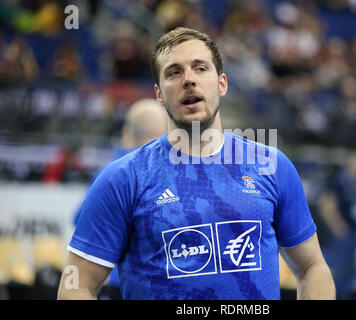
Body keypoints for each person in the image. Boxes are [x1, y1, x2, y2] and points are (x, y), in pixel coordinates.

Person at [57, 27, 335, 300]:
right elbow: (76, 284)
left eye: (200, 68)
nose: (188, 80)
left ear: (222, 83)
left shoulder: (271, 166)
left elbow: (312, 268)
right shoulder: (123, 178)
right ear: (158, 94)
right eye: (174, 72)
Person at [72, 98, 168, 299]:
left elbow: (80, 222)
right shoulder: (171, 172)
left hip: (115, 280)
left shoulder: (110, 172)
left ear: (128, 131)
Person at [318, 150, 356, 299]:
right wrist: (339, 229)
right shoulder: (338, 181)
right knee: (338, 276)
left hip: (355, 235)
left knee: (351, 276)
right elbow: (326, 206)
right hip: (341, 236)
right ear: (351, 163)